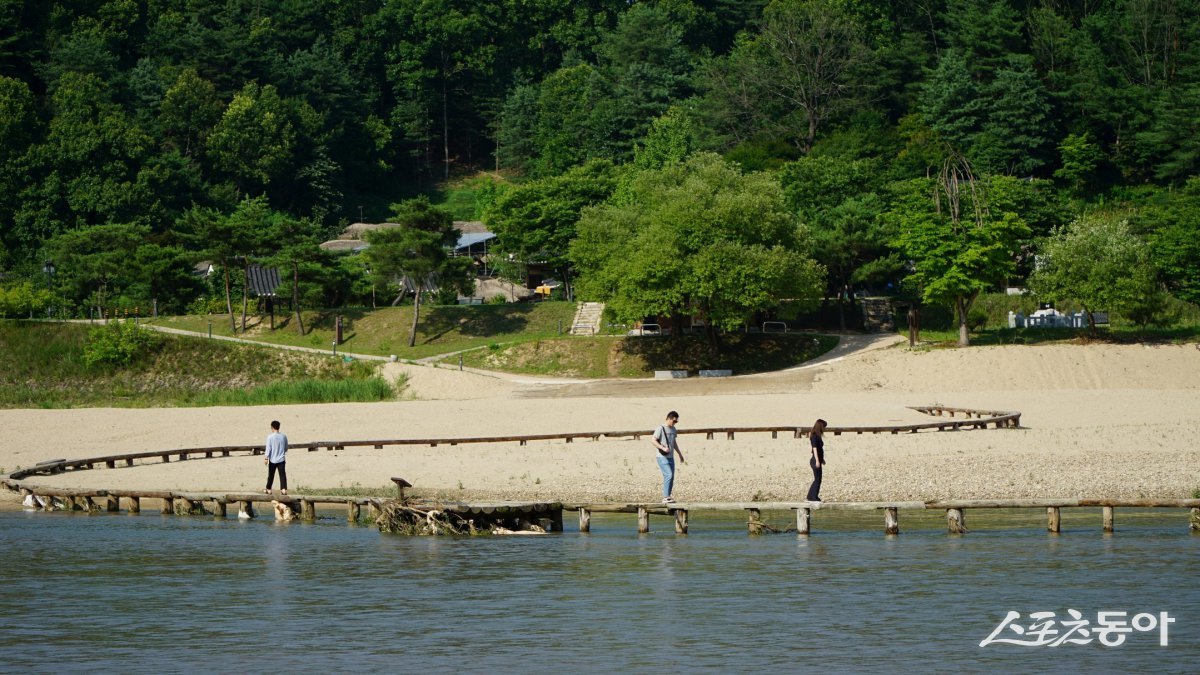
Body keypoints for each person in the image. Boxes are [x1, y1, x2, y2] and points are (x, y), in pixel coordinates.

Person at [652, 411, 685, 504]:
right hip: (661, 456)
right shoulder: (660, 428)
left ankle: (668, 496)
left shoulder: (674, 429)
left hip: (671, 457)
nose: (675, 423)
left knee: (672, 477)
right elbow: (653, 440)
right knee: (668, 475)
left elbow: (674, 442)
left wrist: (679, 454)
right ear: (669, 419)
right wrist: (662, 447)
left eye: (676, 422)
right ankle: (665, 497)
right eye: (674, 421)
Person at [264, 420, 289, 496]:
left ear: (272, 427)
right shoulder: (284, 436)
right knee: (282, 475)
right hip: (281, 459)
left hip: (273, 459)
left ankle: (269, 489)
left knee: (271, 475)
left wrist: (266, 458)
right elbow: (286, 447)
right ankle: (283, 489)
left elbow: (268, 448)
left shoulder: (270, 437)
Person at [806, 418, 827, 502]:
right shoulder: (814, 436)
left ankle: (811, 496)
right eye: (824, 427)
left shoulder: (817, 436)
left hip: (817, 459)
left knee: (817, 479)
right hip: (815, 460)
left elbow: (819, 449)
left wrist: (822, 459)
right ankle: (813, 497)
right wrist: (818, 460)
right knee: (818, 479)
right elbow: (814, 449)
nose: (824, 429)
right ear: (820, 426)